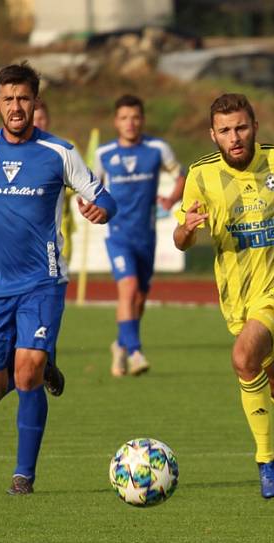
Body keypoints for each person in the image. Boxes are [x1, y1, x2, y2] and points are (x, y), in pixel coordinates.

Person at [0, 62, 116, 495]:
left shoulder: (60, 153)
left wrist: (100, 209)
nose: (17, 107)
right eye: (9, 99)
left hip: (42, 281)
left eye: (24, 99)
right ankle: (39, 363)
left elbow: (105, 198)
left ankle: (24, 475)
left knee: (26, 373)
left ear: (36, 103)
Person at [174, 93, 274, 499]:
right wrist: (188, 229)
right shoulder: (201, 176)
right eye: (225, 130)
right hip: (238, 298)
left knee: (244, 358)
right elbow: (180, 240)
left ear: (255, 127)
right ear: (213, 135)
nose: (235, 137)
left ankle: (265, 460)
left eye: (241, 127)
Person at [94, 94, 185, 377]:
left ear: (142, 120)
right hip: (118, 234)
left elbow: (182, 175)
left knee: (140, 299)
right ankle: (134, 352)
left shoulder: (157, 148)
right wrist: (89, 204)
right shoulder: (104, 154)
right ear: (115, 122)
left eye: (135, 117)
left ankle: (120, 344)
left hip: (146, 236)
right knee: (128, 287)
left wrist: (171, 199)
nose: (129, 123)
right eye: (123, 118)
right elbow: (91, 187)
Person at [32, 100, 77, 264]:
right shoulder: (18, 150)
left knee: (56, 281)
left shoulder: (64, 148)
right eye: (33, 118)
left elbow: (78, 183)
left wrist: (53, 187)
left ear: (48, 120)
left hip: (58, 227)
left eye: (41, 118)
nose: (37, 123)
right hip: (28, 230)